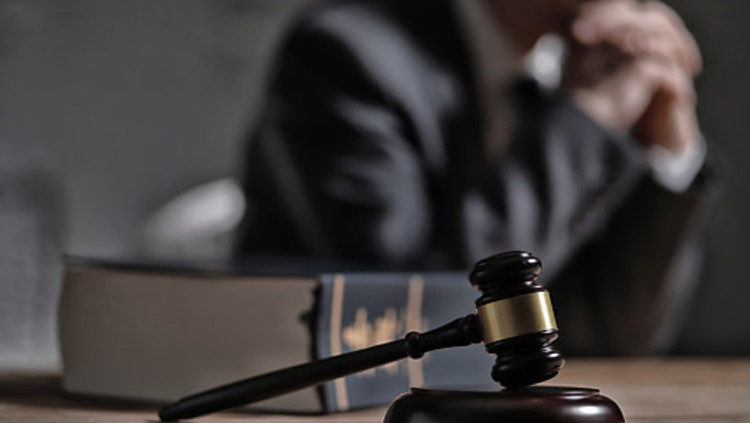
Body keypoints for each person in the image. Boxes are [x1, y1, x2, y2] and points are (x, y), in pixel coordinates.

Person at [235, 0, 719, 355]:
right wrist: (583, 120)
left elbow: (612, 336)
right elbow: (415, 322)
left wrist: (669, 155)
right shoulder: (342, 56)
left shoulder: (586, 65)